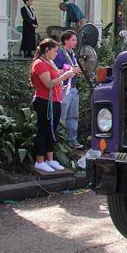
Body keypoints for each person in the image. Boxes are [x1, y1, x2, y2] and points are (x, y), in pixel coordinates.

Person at [31, 38, 82, 173]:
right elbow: (48, 84)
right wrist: (64, 77)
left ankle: (50, 158)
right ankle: (39, 160)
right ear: (46, 50)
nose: (55, 54)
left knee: (52, 131)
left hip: (55, 100)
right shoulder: (40, 63)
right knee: (43, 130)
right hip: (44, 101)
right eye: (54, 51)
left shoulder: (50, 62)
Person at [54, 30, 84, 150]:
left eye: (76, 40)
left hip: (73, 88)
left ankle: (72, 139)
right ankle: (60, 140)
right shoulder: (59, 54)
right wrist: (72, 70)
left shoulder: (71, 53)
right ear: (65, 40)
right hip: (64, 87)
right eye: (73, 40)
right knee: (63, 115)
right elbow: (55, 71)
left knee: (73, 115)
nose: (75, 42)